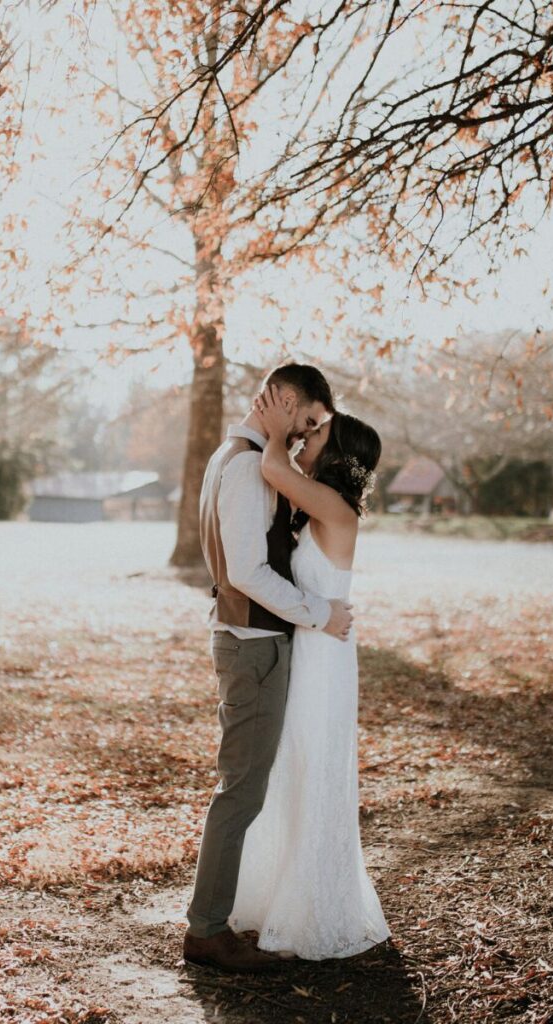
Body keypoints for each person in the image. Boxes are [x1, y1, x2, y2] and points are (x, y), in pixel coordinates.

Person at [183, 364, 355, 974]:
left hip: (249, 640)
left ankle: (213, 918)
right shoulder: (245, 466)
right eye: (305, 420)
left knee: (245, 785)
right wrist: (318, 613)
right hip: (253, 643)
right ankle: (206, 931)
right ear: (281, 399)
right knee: (242, 790)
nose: (307, 434)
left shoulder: (235, 456)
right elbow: (246, 574)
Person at [227, 383, 391, 960]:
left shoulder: (335, 508)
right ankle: (281, 893)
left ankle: (316, 908)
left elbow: (271, 465)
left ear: (337, 454)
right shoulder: (318, 503)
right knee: (292, 768)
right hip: (313, 646)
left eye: (316, 431)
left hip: (324, 660)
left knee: (312, 766)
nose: (304, 434)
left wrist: (274, 428)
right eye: (307, 426)